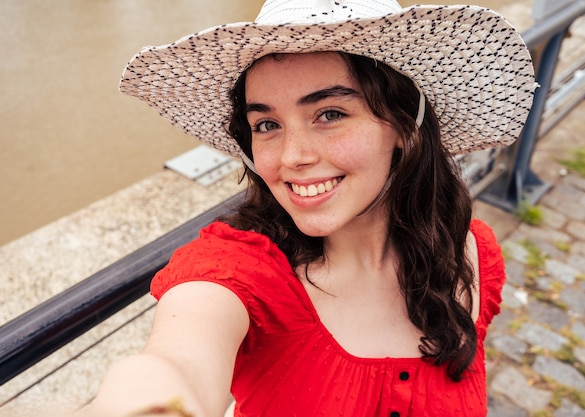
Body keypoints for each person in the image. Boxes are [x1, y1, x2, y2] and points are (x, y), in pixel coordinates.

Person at [84, 0, 537, 416]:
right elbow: (176, 360)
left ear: (404, 125)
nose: (291, 157)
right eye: (266, 124)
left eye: (331, 114)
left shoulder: (472, 257)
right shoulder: (241, 273)